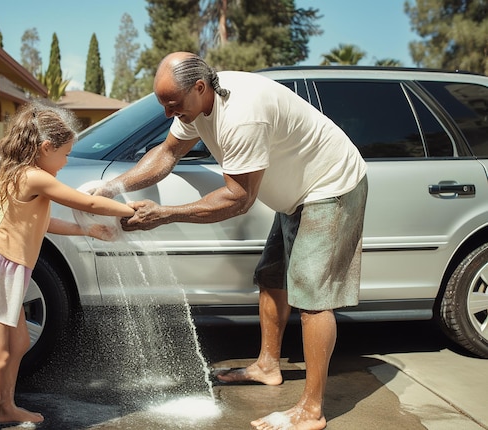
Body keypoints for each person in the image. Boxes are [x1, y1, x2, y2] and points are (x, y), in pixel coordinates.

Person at [94, 52, 368, 430]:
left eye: (172, 104)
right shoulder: (195, 106)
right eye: (163, 105)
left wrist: (165, 215)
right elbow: (167, 153)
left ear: (200, 88)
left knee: (313, 297)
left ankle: (311, 410)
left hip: (330, 186)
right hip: (295, 195)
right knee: (272, 277)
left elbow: (238, 199)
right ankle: (268, 366)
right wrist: (113, 186)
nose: (167, 114)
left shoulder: (241, 114)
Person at [0, 102, 135, 430]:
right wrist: (129, 209)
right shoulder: (33, 177)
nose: (65, 162)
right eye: (64, 154)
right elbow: (88, 201)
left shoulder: (19, 173)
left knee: (18, 344)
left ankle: (6, 407)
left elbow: (44, 223)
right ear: (46, 147)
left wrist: (86, 230)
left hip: (4, 270)